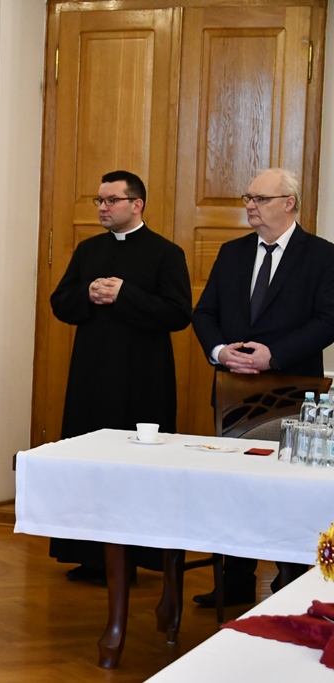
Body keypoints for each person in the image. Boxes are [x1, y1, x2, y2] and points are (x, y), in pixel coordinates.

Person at [191, 167, 334, 607]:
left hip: (295, 391)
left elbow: (328, 320)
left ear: (289, 203)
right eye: (248, 198)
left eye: (260, 199)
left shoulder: (322, 256)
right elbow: (204, 313)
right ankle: (234, 580)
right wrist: (220, 351)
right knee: (236, 486)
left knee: (290, 488)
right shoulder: (232, 252)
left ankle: (289, 581)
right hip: (234, 390)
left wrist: (275, 355)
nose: (250, 206)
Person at [48, 170, 192, 584]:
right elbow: (60, 302)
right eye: (99, 200)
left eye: (111, 200)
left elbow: (178, 313)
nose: (103, 208)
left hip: (143, 379)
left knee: (136, 470)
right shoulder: (88, 250)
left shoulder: (166, 253)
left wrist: (124, 294)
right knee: (89, 463)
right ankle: (87, 556)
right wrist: (87, 294)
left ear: (136, 204)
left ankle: (136, 557)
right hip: (91, 378)